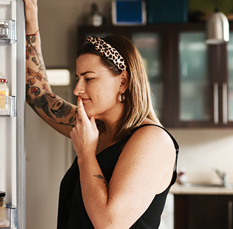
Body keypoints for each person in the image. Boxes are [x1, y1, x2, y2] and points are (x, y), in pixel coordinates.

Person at [24, 0, 179, 228]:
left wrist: (86, 153)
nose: (77, 89)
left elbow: (109, 223)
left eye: (89, 78)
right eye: (78, 78)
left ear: (123, 82)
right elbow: (38, 96)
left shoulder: (152, 140)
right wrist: (30, 20)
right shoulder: (95, 128)